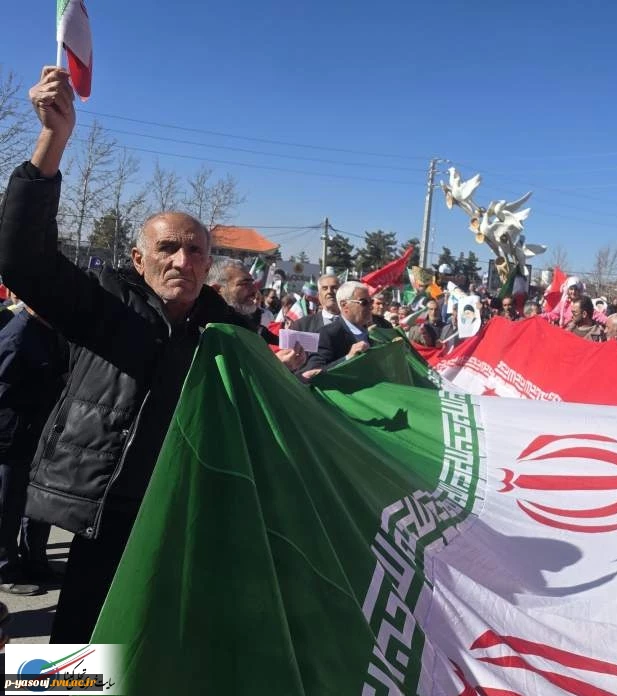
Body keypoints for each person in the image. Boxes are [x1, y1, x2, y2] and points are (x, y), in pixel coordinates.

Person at [0, 66, 258, 643]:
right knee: (77, 651)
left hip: (179, 510)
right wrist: (53, 140)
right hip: (103, 510)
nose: (182, 261)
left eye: (196, 251)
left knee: (151, 647)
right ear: (139, 260)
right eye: (167, 248)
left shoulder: (223, 330)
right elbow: (21, 258)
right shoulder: (104, 303)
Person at [0, 303, 67, 595]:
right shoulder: (16, 335)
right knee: (7, 507)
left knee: (39, 502)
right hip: (12, 436)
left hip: (39, 433)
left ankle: (34, 561)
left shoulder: (48, 331)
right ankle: (4, 570)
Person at [304, 282, 373, 371]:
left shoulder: (377, 330)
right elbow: (314, 371)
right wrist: (348, 358)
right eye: (364, 302)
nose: (370, 307)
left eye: (371, 302)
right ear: (344, 305)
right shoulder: (328, 334)